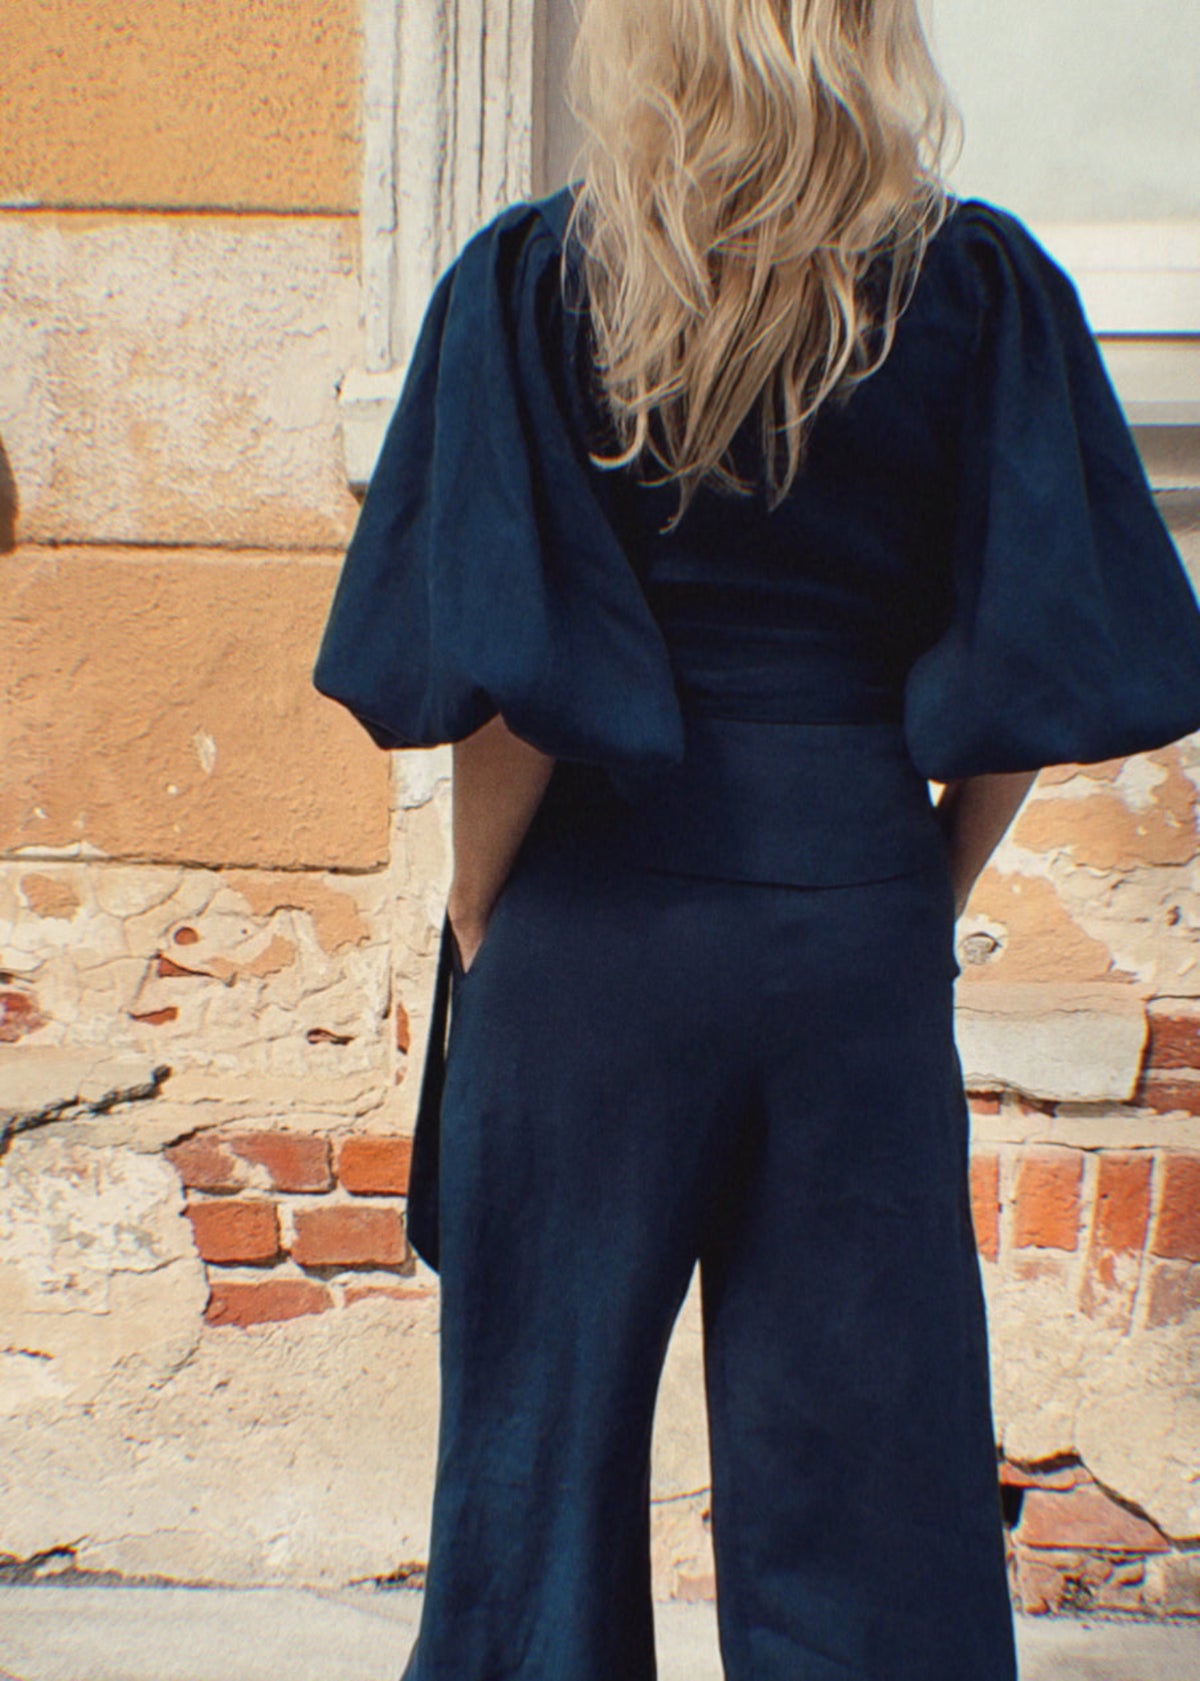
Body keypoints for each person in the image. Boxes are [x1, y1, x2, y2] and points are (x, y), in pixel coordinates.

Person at [312, 3, 1200, 1676]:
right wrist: (908, 894)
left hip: (590, 928)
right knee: (871, 1486)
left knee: (538, 1467)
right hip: (851, 908)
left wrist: (483, 918)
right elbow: (1026, 666)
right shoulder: (979, 294)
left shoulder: (534, 285)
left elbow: (506, 679)